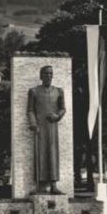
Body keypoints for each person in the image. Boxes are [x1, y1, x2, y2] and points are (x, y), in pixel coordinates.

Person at [27, 65, 66, 194]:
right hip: (39, 127)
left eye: (50, 73)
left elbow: (63, 108)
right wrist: (33, 123)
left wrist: (57, 115)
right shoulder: (34, 91)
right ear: (41, 76)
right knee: (41, 154)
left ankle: (54, 185)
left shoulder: (58, 91)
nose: (49, 76)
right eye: (46, 73)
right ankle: (41, 185)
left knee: (53, 153)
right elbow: (30, 110)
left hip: (52, 127)